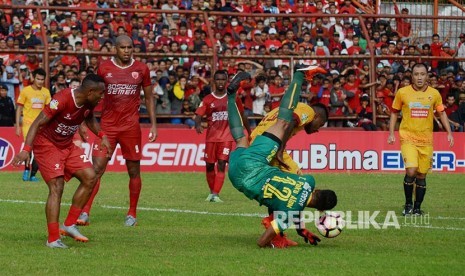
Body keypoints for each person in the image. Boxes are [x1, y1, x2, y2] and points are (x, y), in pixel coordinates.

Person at [226, 70, 337, 248]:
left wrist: (300, 229)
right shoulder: (308, 110)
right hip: (236, 176)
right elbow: (294, 205)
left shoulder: (308, 180)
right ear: (320, 210)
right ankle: (299, 74)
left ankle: (232, 98)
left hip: (257, 154)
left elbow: (299, 198)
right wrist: (280, 148)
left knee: (249, 134)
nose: (318, 129)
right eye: (320, 125)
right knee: (273, 126)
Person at [12, 74, 110, 249]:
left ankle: (69, 224)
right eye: (101, 93)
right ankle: (52, 238)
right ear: (90, 92)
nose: (102, 97)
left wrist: (102, 135)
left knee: (91, 177)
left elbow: (89, 119)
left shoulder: (88, 103)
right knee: (57, 187)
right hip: (47, 145)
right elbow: (36, 123)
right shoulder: (62, 99)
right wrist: (26, 150)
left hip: (67, 144)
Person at [77, 35, 158, 227]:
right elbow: (90, 97)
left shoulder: (141, 69)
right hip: (108, 127)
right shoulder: (104, 68)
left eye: (130, 47)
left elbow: (148, 98)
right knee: (96, 170)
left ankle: (132, 213)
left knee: (133, 171)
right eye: (123, 48)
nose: (127, 51)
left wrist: (153, 125)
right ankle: (85, 212)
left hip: (131, 128)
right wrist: (82, 120)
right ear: (115, 49)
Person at [388, 63, 454, 216]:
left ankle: (417, 207)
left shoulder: (434, 94)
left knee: (421, 175)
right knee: (411, 170)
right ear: (412, 76)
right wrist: (391, 133)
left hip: (426, 141)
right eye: (416, 74)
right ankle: (408, 204)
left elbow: (442, 113)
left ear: (427, 76)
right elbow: (394, 113)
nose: (419, 77)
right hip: (408, 137)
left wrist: (449, 132)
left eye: (422, 74)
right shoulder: (403, 92)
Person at [194, 70, 251, 202]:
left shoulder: (233, 98)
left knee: (221, 164)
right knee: (209, 165)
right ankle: (211, 192)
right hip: (211, 137)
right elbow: (198, 115)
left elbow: (242, 115)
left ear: (226, 81)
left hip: (226, 137)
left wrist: (249, 131)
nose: (220, 82)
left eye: (223, 79)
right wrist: (197, 125)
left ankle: (215, 194)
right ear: (214, 81)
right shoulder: (208, 99)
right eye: (218, 79)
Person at [15, 68, 51, 182]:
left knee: (39, 150)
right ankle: (26, 170)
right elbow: (19, 108)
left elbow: (49, 109)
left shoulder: (46, 92)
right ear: (33, 78)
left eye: (42, 79)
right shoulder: (26, 91)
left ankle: (33, 175)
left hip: (41, 125)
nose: (40, 81)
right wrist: (17, 126)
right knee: (28, 148)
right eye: (38, 79)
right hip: (28, 124)